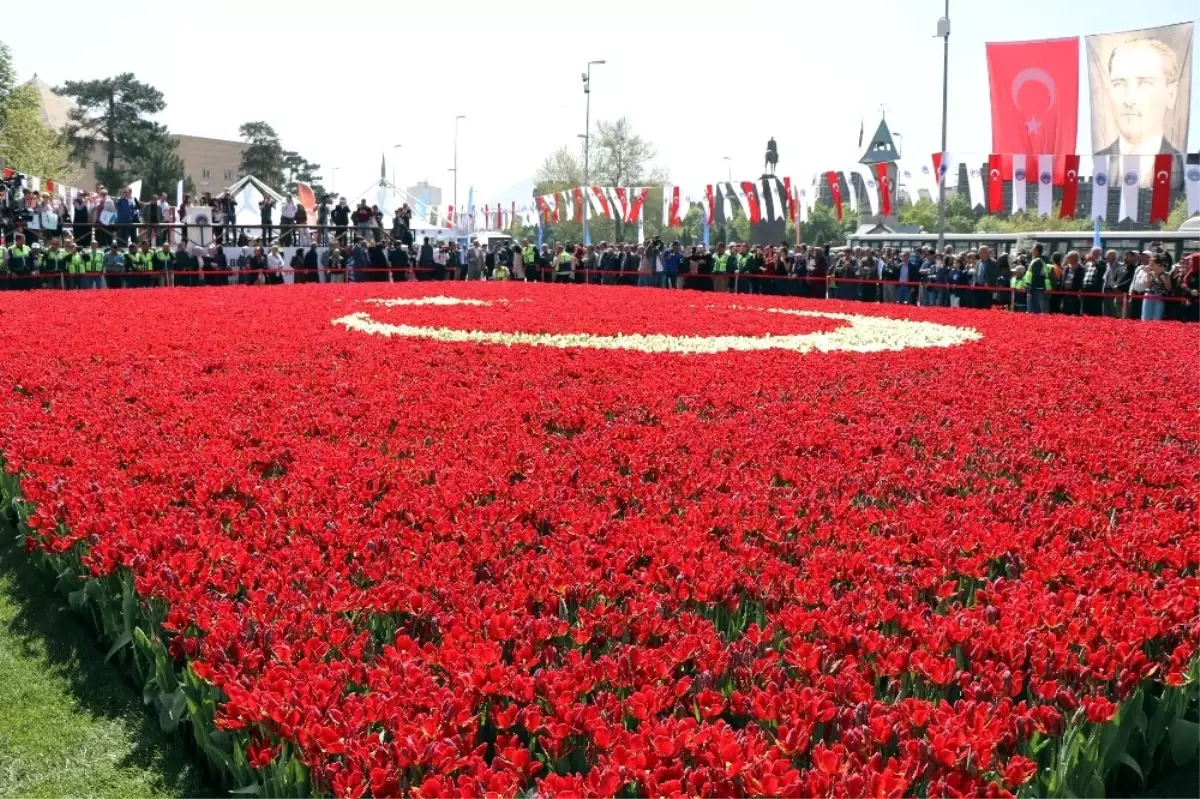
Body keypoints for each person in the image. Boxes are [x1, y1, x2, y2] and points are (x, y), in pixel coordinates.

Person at [1096, 38, 1184, 157]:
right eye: (1119, 84)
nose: (1129, 100)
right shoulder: (1090, 165)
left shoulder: (1189, 168)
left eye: (1144, 83)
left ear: (1171, 95)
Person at [1141, 254, 1173, 321]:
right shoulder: (1150, 273)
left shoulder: (1166, 274)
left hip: (1159, 298)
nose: (1150, 264)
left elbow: (1169, 288)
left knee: (1157, 319)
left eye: (1152, 262)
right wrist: (1147, 274)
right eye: (1150, 262)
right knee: (1146, 318)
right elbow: (1147, 286)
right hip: (1148, 296)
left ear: (1158, 264)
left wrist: (1163, 278)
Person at [1079, 248, 1107, 317]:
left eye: (1096, 252)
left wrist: (1094, 261)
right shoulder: (1087, 263)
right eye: (1093, 252)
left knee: (1095, 311)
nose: (1094, 254)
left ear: (1100, 254)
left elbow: (1101, 271)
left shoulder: (1102, 262)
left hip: (1095, 290)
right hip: (1085, 289)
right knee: (1085, 310)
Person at [1025, 244, 1049, 314]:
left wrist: (1030, 289)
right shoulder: (1036, 260)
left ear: (1037, 250)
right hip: (1035, 288)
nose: (1032, 251)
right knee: (1034, 309)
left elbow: (1035, 277)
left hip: (1035, 289)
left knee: (1033, 310)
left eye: (1033, 249)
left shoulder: (1037, 261)